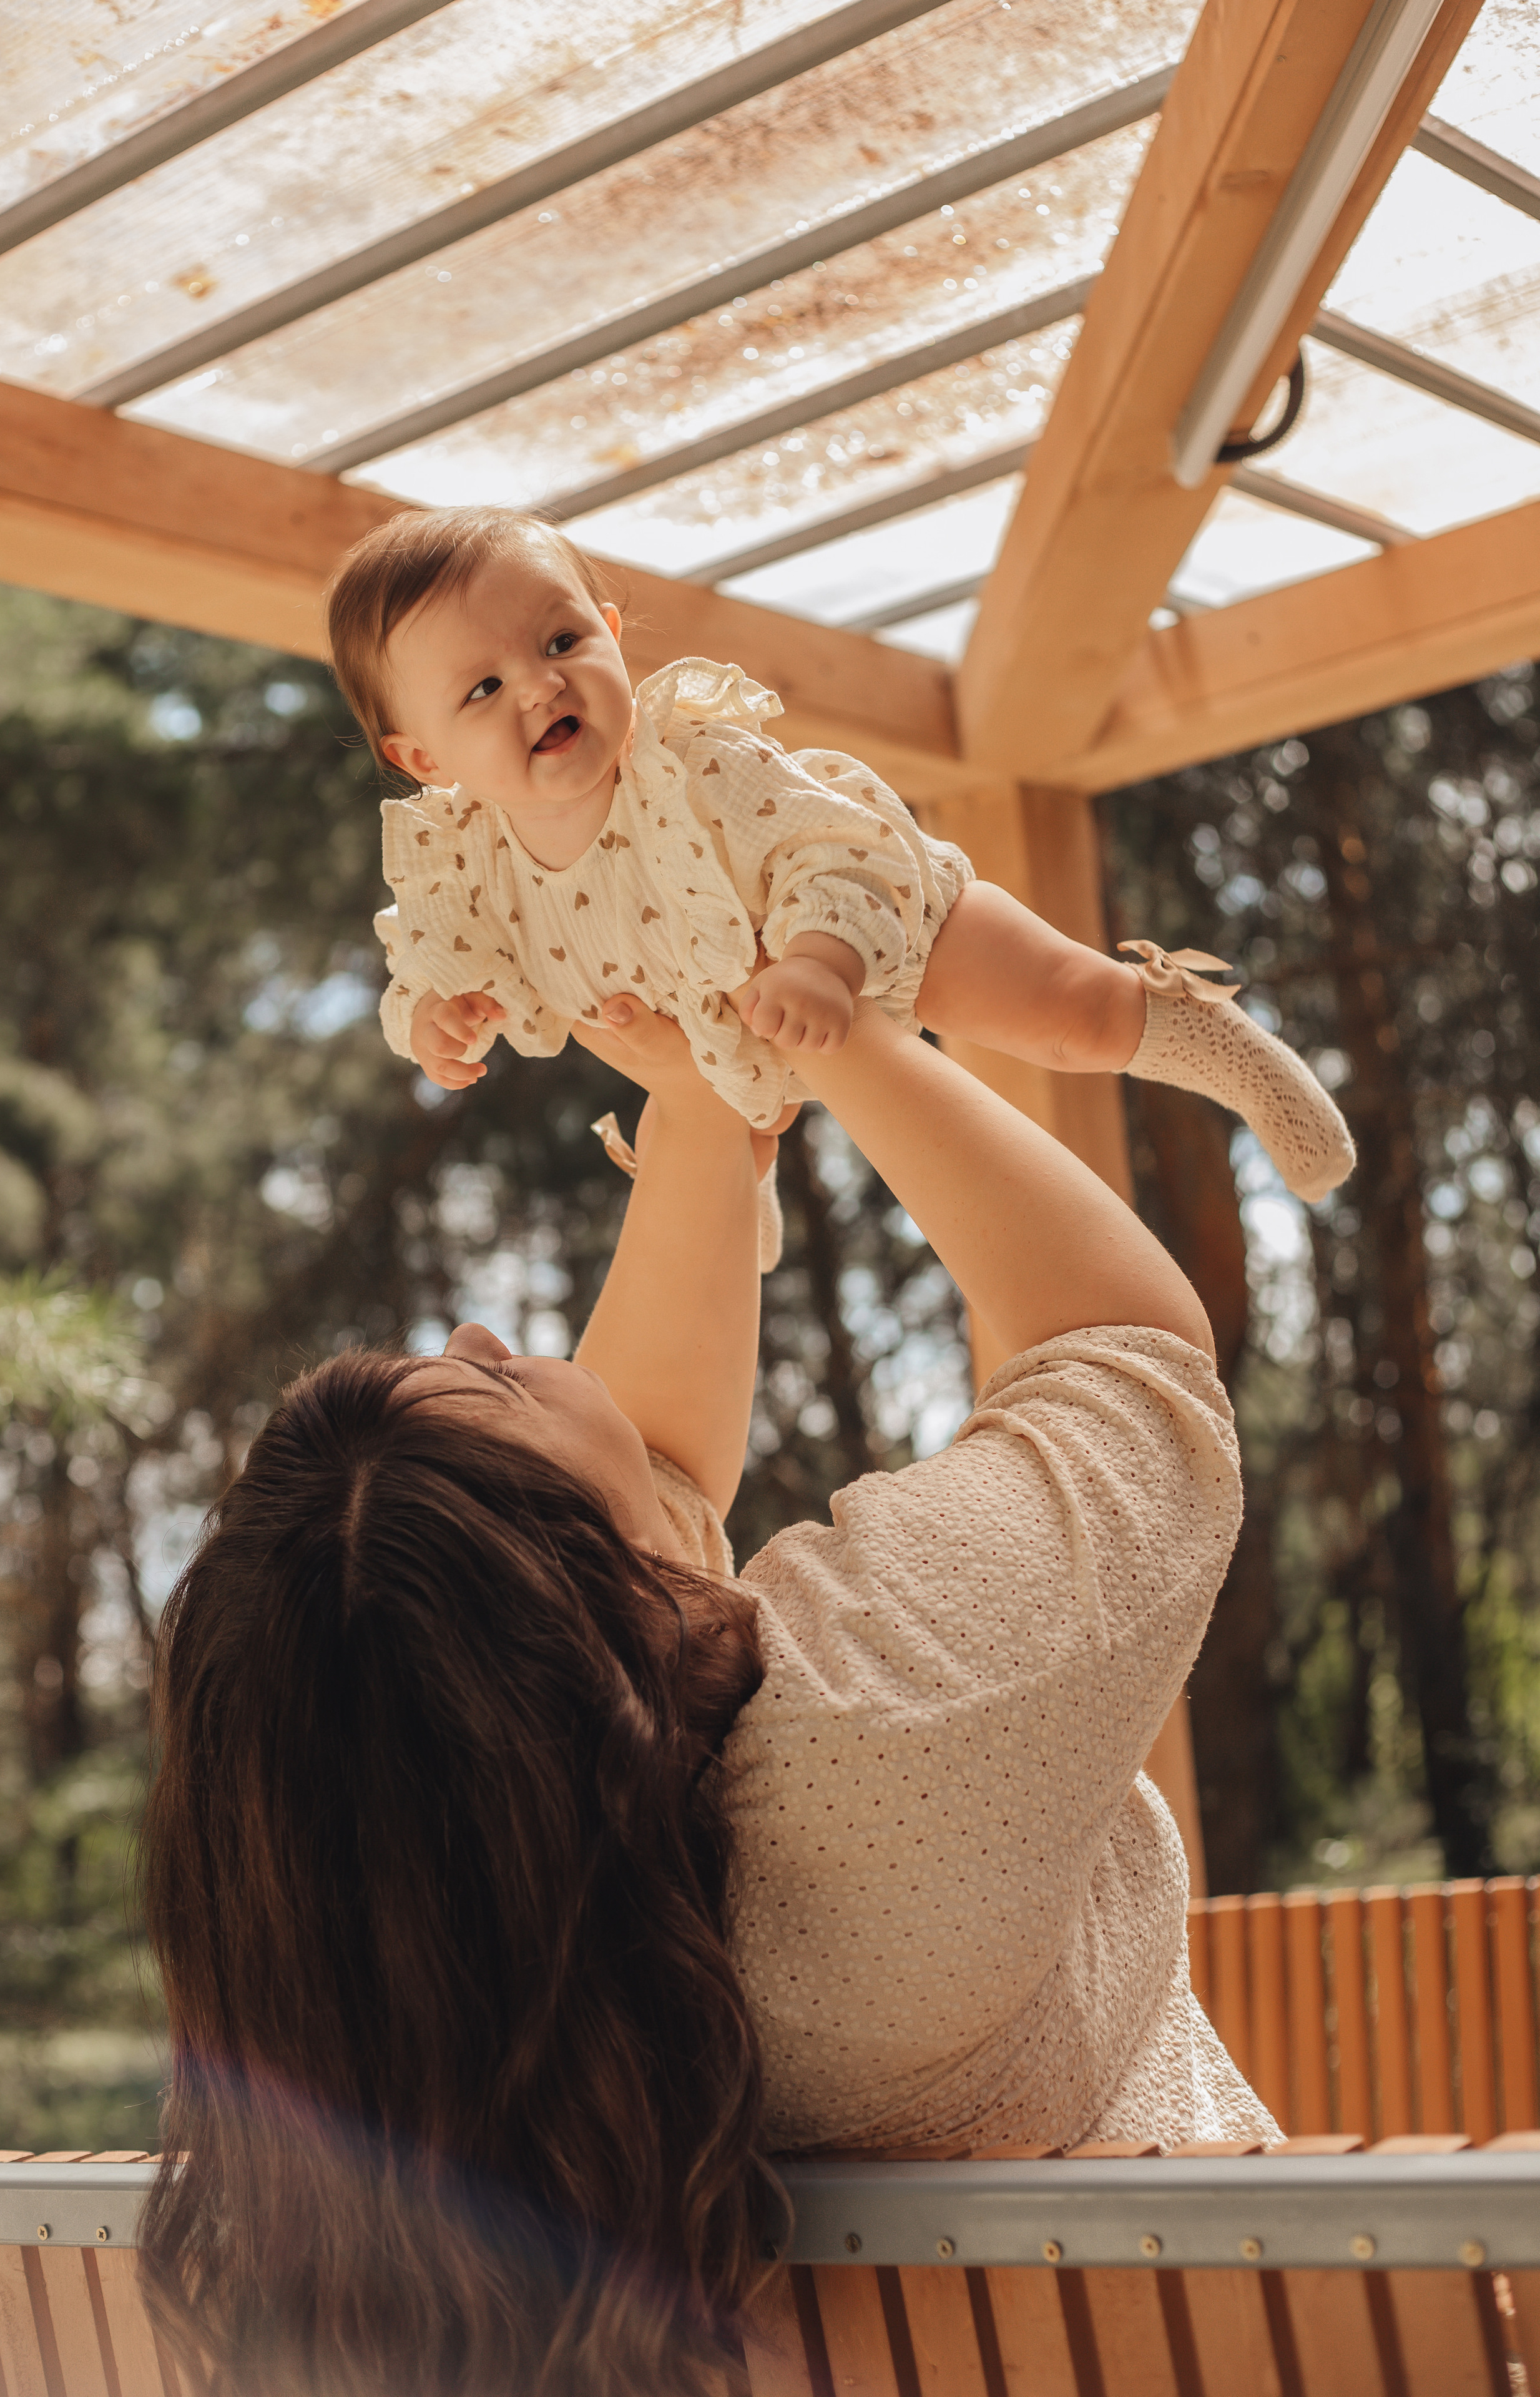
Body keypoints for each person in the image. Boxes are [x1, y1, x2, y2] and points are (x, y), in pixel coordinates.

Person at [139, 988, 1278, 2397]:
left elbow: (637, 1501)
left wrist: (699, 1107)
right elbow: (1123, 1344)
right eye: (482, 1387)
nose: (485, 1333)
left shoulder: (441, 1994)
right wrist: (841, 1029)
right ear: (589, 1609)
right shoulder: (876, 1729)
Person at [325, 504, 1355, 1273]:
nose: (541, 684)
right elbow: (436, 953)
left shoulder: (697, 767)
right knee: (697, 1113)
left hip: (886, 931)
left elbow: (838, 847)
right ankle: (746, 1178)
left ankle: (1225, 1049)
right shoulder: (466, 864)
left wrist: (824, 961)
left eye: (560, 643)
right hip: (732, 1031)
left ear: (609, 628)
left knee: (1062, 1017)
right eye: (484, 687)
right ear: (422, 758)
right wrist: (434, 1016)